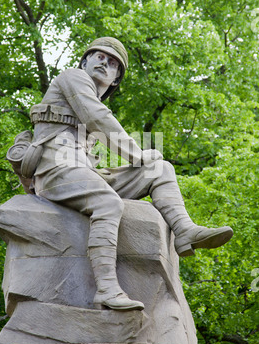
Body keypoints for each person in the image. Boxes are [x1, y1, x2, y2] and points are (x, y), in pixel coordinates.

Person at [30, 37, 233, 311]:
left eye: (113, 63)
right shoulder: (73, 77)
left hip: (84, 172)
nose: (105, 62)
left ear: (115, 80)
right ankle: (106, 289)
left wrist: (142, 160)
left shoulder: (90, 92)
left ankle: (184, 231)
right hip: (56, 168)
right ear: (85, 61)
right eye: (99, 56)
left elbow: (98, 122)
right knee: (108, 202)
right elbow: (97, 117)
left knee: (160, 168)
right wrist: (136, 154)